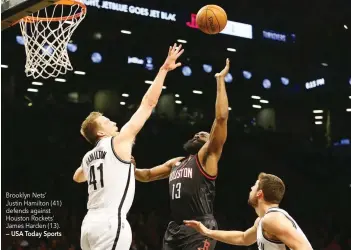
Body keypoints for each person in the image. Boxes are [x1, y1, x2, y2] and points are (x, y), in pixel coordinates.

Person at [72, 43, 184, 250]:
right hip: (110, 223)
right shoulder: (119, 142)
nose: (113, 123)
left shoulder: (87, 157)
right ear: (100, 132)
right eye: (107, 122)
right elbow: (148, 104)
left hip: (88, 226)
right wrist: (163, 70)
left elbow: (77, 177)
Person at [135, 59, 230, 250]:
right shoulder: (176, 163)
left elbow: (220, 119)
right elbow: (146, 175)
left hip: (200, 228)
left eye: (204, 135)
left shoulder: (206, 157)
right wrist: (130, 167)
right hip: (175, 228)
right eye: (197, 133)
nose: (198, 134)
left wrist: (220, 80)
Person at [184, 173, 313, 250]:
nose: (251, 188)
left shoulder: (273, 219)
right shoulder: (263, 220)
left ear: (259, 194)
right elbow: (243, 238)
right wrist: (206, 231)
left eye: (255, 186)